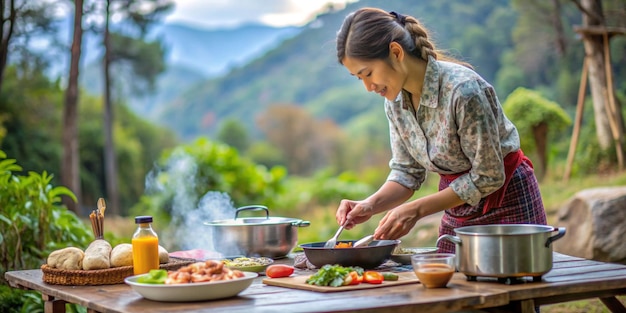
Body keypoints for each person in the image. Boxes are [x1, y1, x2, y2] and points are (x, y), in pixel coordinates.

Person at [333, 7, 547, 254]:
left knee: (514, 287)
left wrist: (416, 209)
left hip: (508, 205)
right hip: (458, 208)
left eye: (368, 73)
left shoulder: (463, 91)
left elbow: (488, 175)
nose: (368, 87)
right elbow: (407, 173)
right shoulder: (395, 104)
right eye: (359, 78)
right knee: (449, 288)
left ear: (395, 52)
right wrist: (369, 205)